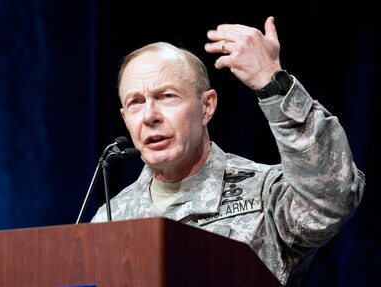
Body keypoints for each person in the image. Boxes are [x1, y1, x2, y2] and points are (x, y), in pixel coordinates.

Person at [91, 16, 365, 286]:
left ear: (206, 107)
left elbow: (331, 198)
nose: (150, 115)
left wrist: (272, 83)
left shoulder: (266, 193)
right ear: (125, 118)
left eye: (167, 96)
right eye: (136, 102)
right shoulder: (110, 218)